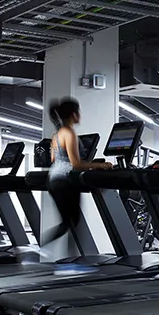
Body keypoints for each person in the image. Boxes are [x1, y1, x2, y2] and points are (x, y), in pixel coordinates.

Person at [36, 97, 113, 272]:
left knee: (70, 222)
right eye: (79, 112)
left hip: (54, 179)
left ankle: (69, 260)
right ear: (73, 114)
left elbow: (55, 160)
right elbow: (76, 164)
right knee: (70, 222)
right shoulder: (69, 133)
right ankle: (41, 250)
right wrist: (101, 165)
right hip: (65, 180)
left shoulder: (56, 135)